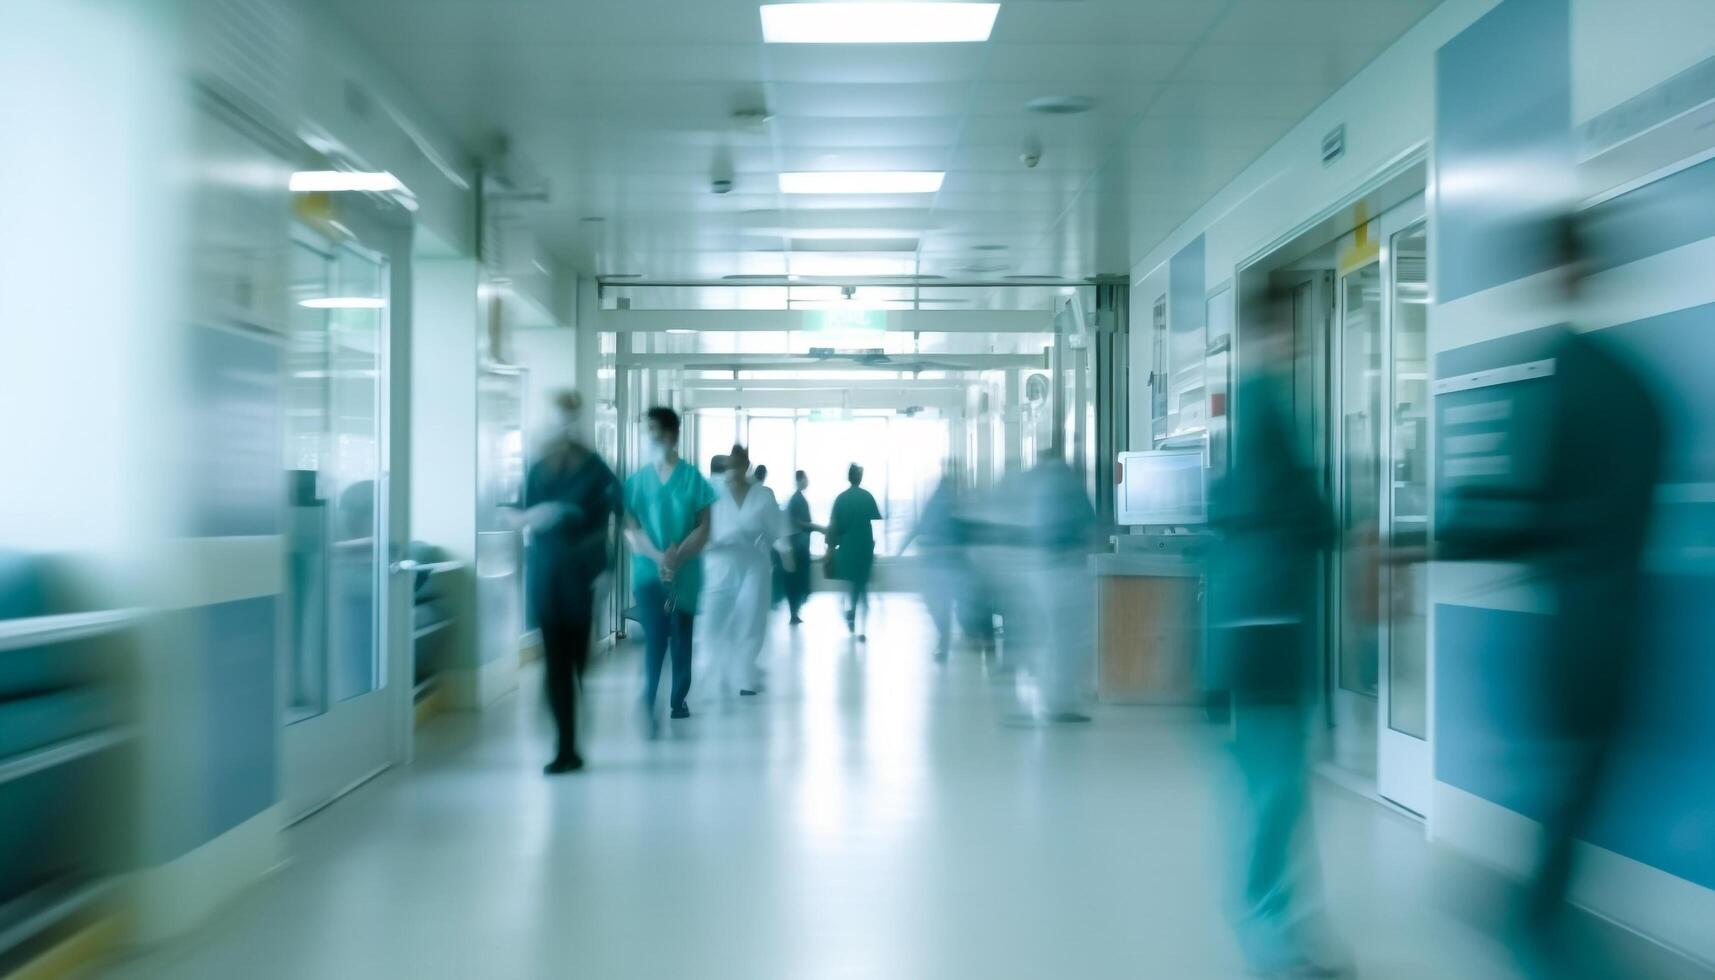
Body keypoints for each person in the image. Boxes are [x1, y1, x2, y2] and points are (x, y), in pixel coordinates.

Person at [1207, 330, 1345, 978]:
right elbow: (1311, 516)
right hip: (1264, 631)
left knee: (1278, 784)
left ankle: (1278, 923)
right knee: (1277, 787)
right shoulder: (1267, 418)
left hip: (1258, 632)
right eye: (1282, 338)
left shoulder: (1250, 426)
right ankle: (1266, 929)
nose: (1293, 346)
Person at [519, 391, 620, 774]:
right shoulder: (538, 467)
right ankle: (566, 746)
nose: (564, 422)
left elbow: (611, 515)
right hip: (546, 576)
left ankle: (570, 720)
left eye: (570, 414)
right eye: (560, 414)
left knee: (576, 662)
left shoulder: (594, 467)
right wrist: (536, 516)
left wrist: (606, 568)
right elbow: (521, 513)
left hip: (583, 578)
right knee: (556, 663)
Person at [624, 406, 716, 733]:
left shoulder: (693, 478)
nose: (651, 436)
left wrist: (678, 556)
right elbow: (631, 527)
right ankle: (649, 700)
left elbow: (705, 527)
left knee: (681, 637)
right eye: (647, 430)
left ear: (672, 435)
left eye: (656, 430)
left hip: (686, 571)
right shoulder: (636, 481)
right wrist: (659, 556)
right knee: (656, 637)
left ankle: (678, 698)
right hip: (649, 572)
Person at [701, 445, 791, 698]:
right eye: (731, 464)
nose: (735, 469)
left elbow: (776, 530)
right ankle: (712, 673)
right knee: (714, 620)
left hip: (753, 562)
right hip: (718, 562)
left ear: (747, 466)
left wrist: (786, 552)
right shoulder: (711, 490)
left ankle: (745, 675)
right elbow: (697, 524)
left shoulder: (763, 495)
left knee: (751, 617)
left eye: (740, 464)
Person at [899, 463, 963, 661]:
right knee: (940, 603)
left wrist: (900, 549)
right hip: (943, 561)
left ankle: (943, 639)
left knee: (937, 602)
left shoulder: (941, 503)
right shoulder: (949, 503)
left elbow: (918, 527)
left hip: (938, 561)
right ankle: (944, 638)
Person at [826, 463, 882, 640]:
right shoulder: (867, 497)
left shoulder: (841, 499)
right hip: (864, 548)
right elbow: (875, 524)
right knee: (862, 586)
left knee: (849, 585)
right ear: (859, 477)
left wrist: (829, 550)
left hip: (847, 549)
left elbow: (833, 527)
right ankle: (862, 630)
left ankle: (851, 612)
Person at [784, 470, 822, 625]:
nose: (807, 482)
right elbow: (797, 522)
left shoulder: (799, 499)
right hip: (798, 547)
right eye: (806, 479)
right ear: (800, 480)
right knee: (799, 582)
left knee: (801, 582)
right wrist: (815, 527)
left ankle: (795, 613)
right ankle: (794, 613)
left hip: (801, 545)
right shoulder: (796, 500)